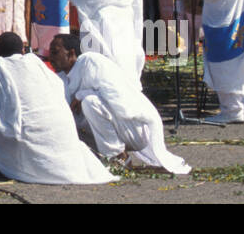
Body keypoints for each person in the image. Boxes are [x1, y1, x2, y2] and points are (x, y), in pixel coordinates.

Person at [0, 32, 116, 185]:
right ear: (23, 50)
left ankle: (8, 160)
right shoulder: (39, 67)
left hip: (29, 152)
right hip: (64, 147)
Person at [49, 34, 190, 174]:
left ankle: (118, 157)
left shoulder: (90, 61)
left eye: (55, 52)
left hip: (135, 126)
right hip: (115, 129)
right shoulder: (61, 78)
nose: (51, 58)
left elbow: (117, 96)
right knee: (67, 121)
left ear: (71, 53)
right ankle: (103, 157)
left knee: (90, 102)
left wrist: (82, 95)